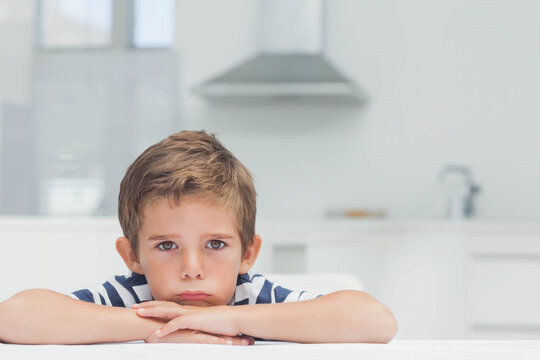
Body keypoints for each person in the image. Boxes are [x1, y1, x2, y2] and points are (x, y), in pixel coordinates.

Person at [0, 130, 397, 345]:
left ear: (248, 253)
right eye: (167, 245)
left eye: (216, 245)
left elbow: (375, 322)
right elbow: (12, 317)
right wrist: (166, 328)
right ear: (133, 256)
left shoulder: (251, 298)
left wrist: (231, 319)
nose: (192, 269)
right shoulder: (132, 299)